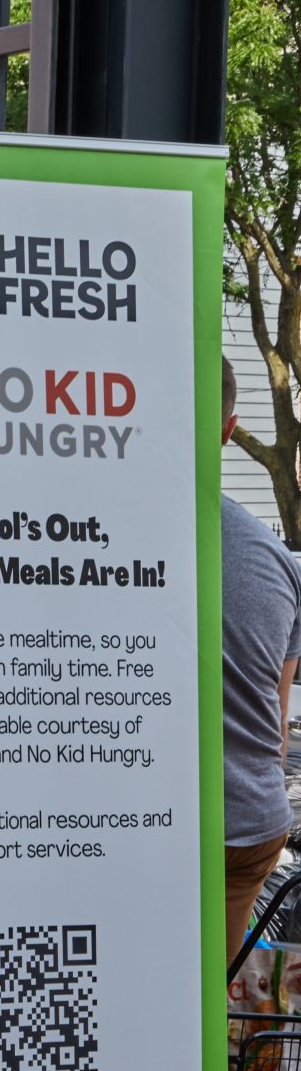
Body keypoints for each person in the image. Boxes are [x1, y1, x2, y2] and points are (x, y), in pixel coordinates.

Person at [220, 357, 301, 958]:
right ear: (229, 430)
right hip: (254, 821)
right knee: (207, 998)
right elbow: (275, 729)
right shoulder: (273, 556)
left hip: (188, 825)